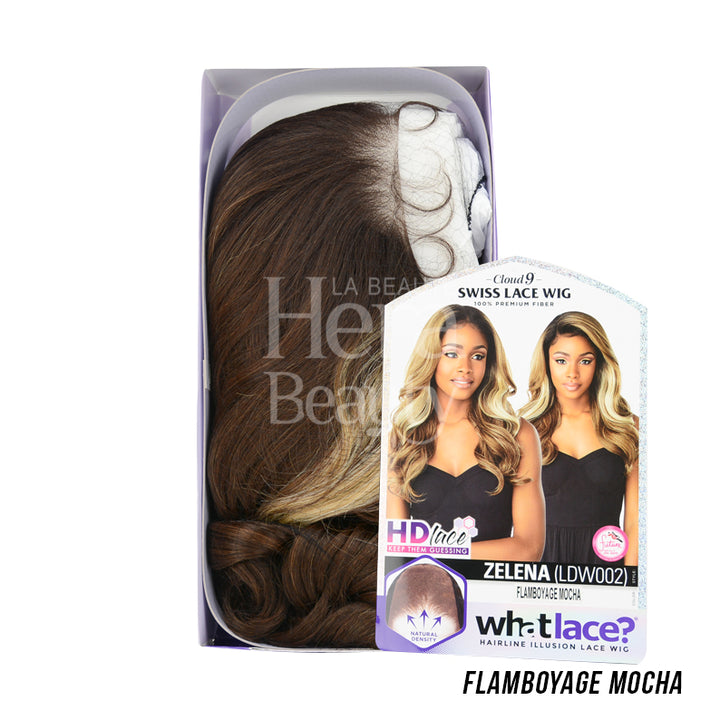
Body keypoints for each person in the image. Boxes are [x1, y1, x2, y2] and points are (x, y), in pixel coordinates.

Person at [387, 305, 545, 561]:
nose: (465, 367)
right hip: (423, 583)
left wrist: (436, 553)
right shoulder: (403, 437)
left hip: (493, 585)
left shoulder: (517, 435)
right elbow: (395, 549)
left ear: (489, 363)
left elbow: (529, 549)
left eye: (478, 356)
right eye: (452, 354)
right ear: (431, 358)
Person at [520, 311, 639, 565]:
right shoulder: (523, 429)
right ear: (546, 362)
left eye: (585, 361)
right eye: (561, 361)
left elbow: (635, 522)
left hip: (606, 567)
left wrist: (631, 580)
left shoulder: (627, 426)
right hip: (539, 569)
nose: (572, 373)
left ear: (599, 364)